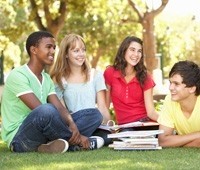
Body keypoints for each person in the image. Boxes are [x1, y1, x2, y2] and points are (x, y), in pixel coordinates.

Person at [0, 31, 104, 153]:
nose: (53, 51)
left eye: (54, 48)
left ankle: (54, 144)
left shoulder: (46, 78)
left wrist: (72, 124)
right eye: (48, 47)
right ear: (34, 50)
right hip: (20, 137)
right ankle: (78, 142)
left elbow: (59, 108)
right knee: (46, 109)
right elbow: (40, 110)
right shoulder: (18, 75)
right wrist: (77, 135)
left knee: (94, 114)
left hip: (45, 131)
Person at [50, 33, 112, 145]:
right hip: (73, 122)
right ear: (66, 54)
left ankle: (68, 143)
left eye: (83, 50)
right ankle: (77, 140)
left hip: (93, 122)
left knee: (107, 136)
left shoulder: (95, 75)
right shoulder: (59, 79)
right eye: (76, 51)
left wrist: (110, 125)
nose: (81, 54)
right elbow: (62, 111)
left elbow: (102, 107)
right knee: (95, 114)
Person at [104, 36, 159, 129]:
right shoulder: (110, 73)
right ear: (124, 50)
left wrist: (170, 123)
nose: (136, 54)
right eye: (132, 50)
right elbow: (105, 107)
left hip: (145, 123)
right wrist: (107, 129)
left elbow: (151, 112)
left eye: (139, 51)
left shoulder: (145, 77)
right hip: (125, 127)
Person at [158, 60, 200, 147]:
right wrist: (197, 135)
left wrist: (178, 142)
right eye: (170, 83)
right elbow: (163, 141)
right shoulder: (169, 100)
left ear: (192, 88)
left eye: (176, 84)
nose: (170, 88)